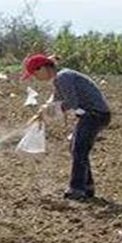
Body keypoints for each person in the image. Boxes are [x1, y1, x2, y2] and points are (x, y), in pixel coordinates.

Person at [21, 53, 111, 201]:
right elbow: (56, 99)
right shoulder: (61, 78)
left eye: (34, 73)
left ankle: (77, 189)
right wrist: (40, 115)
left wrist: (48, 112)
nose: (35, 78)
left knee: (79, 150)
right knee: (76, 148)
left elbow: (71, 103)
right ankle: (87, 187)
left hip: (94, 115)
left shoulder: (63, 77)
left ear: (42, 68)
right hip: (93, 115)